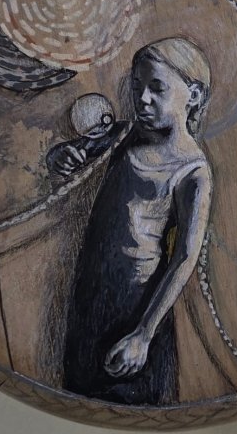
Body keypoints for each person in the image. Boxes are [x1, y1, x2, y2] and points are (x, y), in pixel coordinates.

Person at [46, 37, 214, 405]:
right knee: (78, 395)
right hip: (91, 297)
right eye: (137, 87)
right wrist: (62, 157)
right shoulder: (121, 135)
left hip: (139, 308)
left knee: (132, 404)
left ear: (194, 95)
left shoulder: (193, 171)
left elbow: (185, 257)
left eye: (157, 88)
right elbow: (63, 157)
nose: (143, 99)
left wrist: (144, 334)